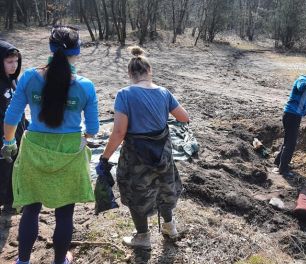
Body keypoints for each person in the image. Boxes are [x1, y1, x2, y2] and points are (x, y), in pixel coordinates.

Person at [1, 26, 99, 264]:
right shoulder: (85, 85)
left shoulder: (28, 78)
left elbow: (12, 117)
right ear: (77, 52)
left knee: (31, 209)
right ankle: (60, 261)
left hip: (34, 147)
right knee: (65, 213)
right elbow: (94, 129)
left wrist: (9, 142)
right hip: (69, 151)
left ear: (50, 48)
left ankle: (22, 260)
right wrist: (82, 141)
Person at [96, 46, 189, 249]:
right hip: (162, 153)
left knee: (136, 192)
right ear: (150, 71)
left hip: (136, 156)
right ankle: (169, 227)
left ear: (130, 74)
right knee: (164, 187)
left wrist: (105, 157)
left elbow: (119, 132)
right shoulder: (164, 93)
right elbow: (184, 117)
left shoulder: (124, 94)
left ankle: (143, 237)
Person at [0, 40, 27, 215]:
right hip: (2, 135)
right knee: (4, 169)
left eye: (16, 61)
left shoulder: (13, 81)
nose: (14, 65)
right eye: (9, 62)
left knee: (14, 167)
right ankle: (7, 203)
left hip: (16, 133)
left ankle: (11, 202)